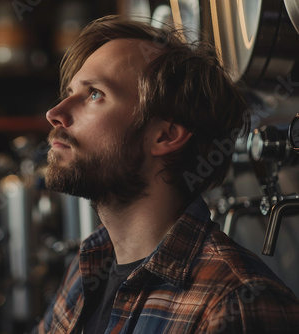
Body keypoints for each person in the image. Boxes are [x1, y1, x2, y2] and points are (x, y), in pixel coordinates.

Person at [33, 15, 299, 333]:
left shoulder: (235, 304)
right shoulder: (86, 269)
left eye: (94, 95)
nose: (55, 113)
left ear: (166, 136)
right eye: (69, 91)